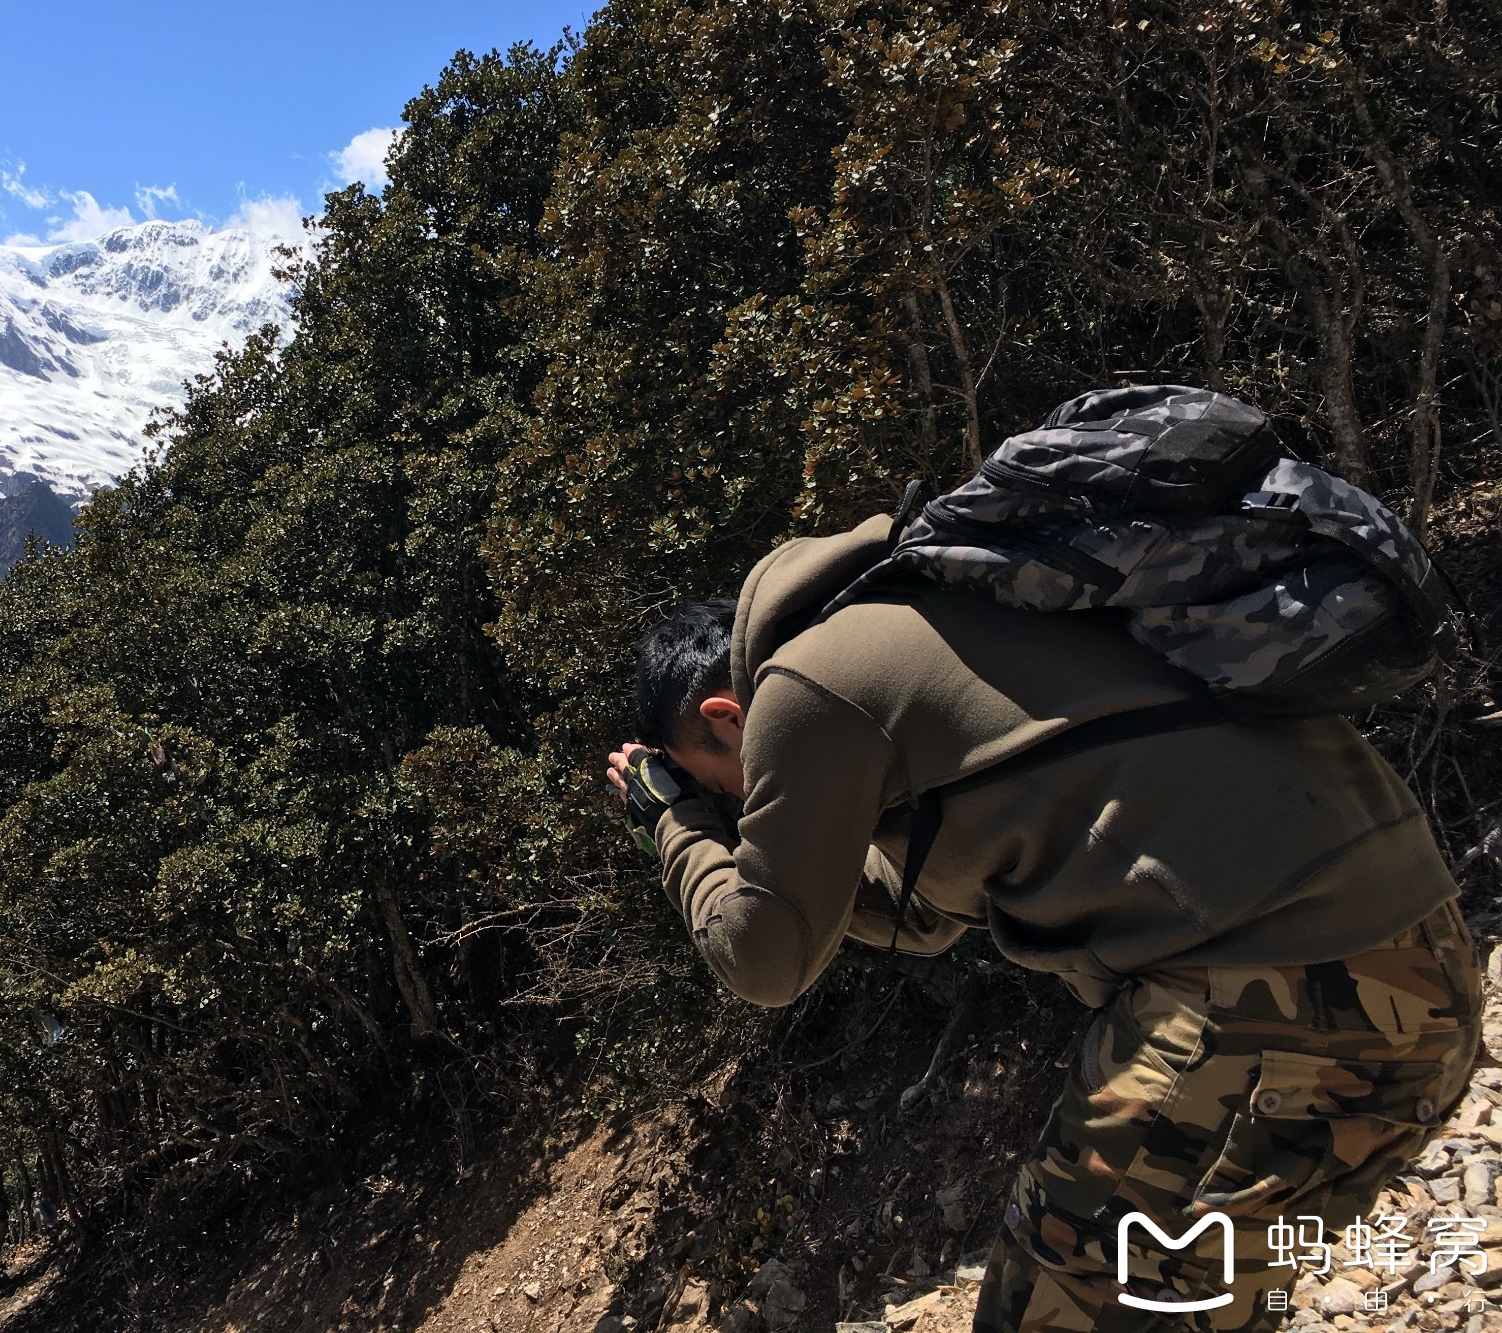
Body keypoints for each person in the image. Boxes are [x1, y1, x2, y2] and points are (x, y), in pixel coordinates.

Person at [606, 514, 1481, 1333]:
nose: (743, 808)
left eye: (732, 787)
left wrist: (676, 826)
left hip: (1268, 993)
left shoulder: (806, 681)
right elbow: (917, 914)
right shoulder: (952, 603)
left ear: (726, 717)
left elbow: (764, 959)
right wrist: (762, 848)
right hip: (1423, 966)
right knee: (1192, 1307)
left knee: (1053, 1304)